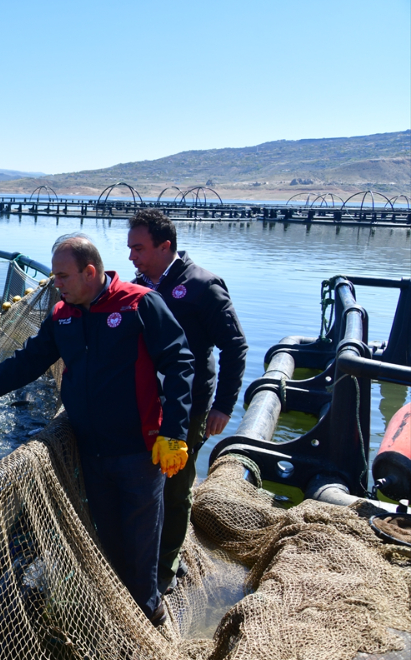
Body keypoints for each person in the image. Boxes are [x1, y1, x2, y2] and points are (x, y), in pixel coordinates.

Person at [0, 234, 194, 625]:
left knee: (142, 540)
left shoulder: (139, 304)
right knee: (107, 536)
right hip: (91, 451)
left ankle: (148, 614)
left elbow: (180, 365)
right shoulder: (63, 314)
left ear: (89, 272)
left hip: (140, 452)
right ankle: (115, 610)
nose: (55, 283)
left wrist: (174, 431)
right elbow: (27, 362)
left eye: (62, 275)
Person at [127, 209, 248, 594]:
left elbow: (235, 347)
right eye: (130, 249)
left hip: (189, 407)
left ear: (165, 246)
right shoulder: (139, 287)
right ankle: (139, 552)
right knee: (143, 481)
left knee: (176, 487)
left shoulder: (203, 286)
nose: (132, 257)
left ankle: (166, 567)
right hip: (145, 405)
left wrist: (223, 406)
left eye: (139, 248)